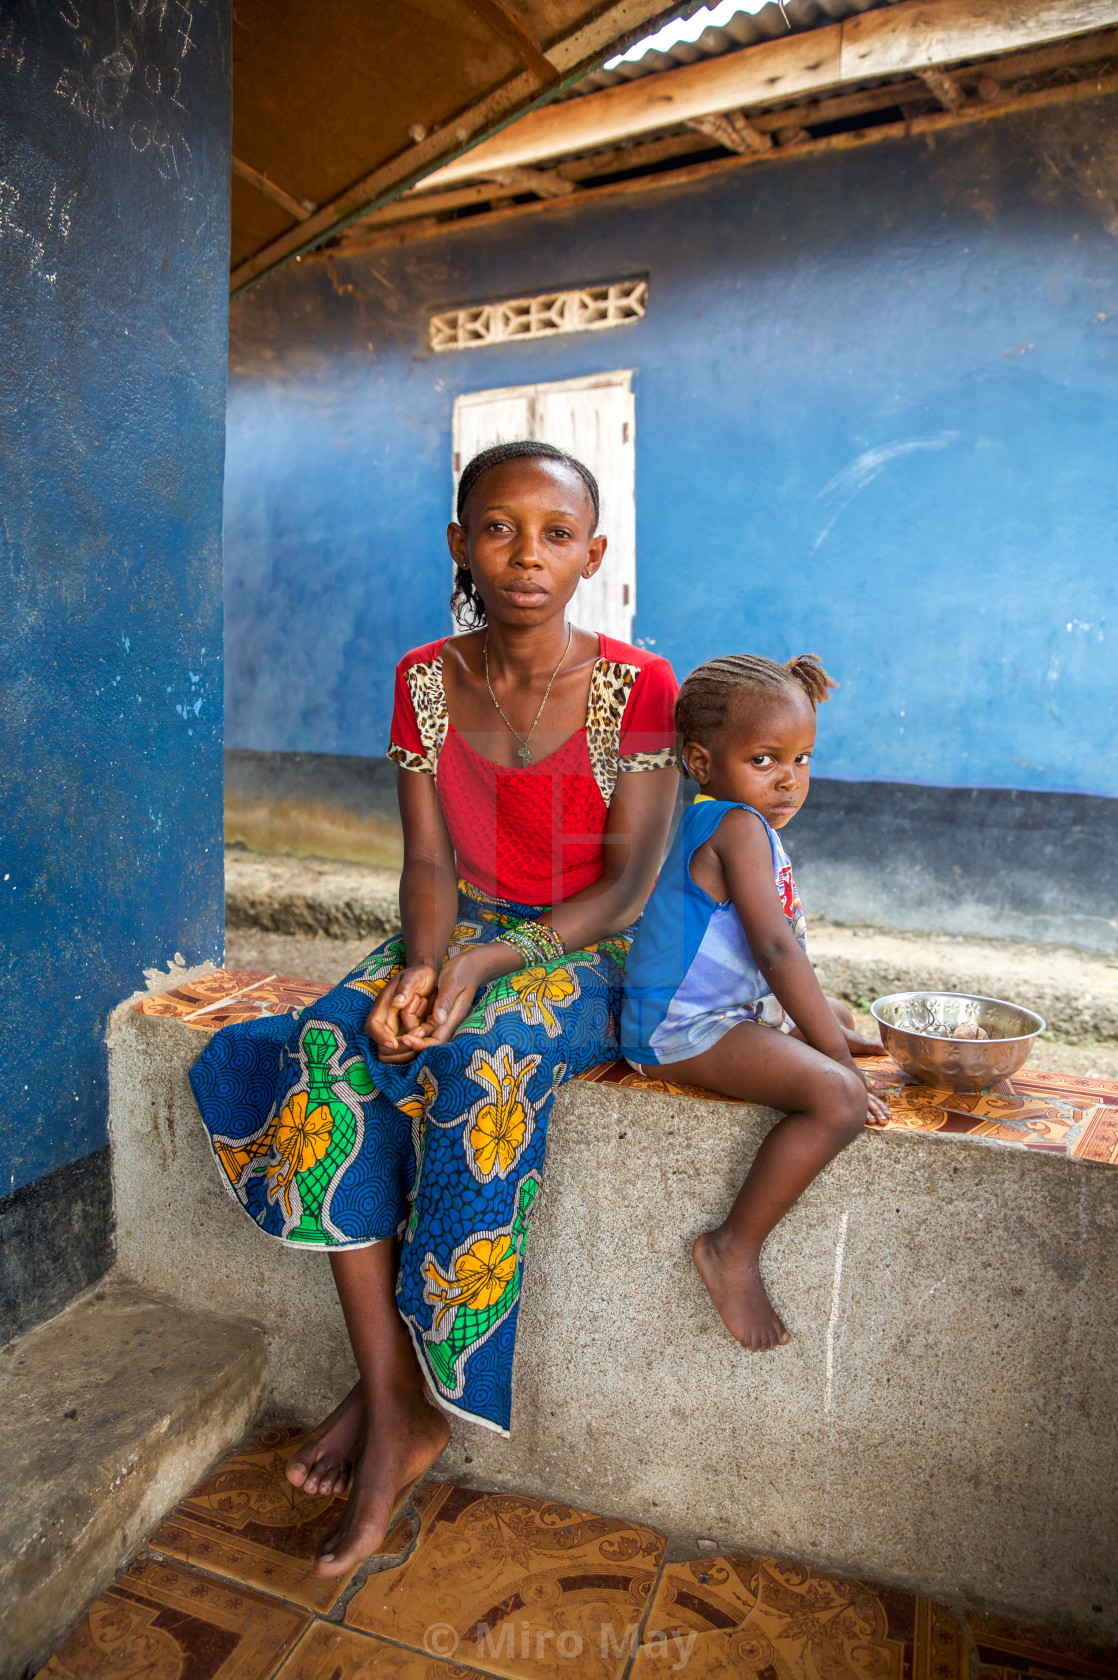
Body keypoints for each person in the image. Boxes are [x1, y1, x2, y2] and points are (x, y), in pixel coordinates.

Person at [189, 441, 678, 1575]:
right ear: (460, 545)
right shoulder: (422, 675)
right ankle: (391, 1398)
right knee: (331, 1040)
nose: (526, 555)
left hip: (581, 952)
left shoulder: (634, 686)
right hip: (458, 927)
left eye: (557, 534)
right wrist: (419, 970)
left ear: (592, 555)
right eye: (499, 529)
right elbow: (424, 863)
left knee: (480, 1061)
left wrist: (477, 973)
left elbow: (627, 890)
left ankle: (422, 1388)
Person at [620, 652, 889, 1355]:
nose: (789, 778)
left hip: (720, 1013)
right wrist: (837, 1060)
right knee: (836, 1100)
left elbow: (763, 955)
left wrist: (826, 1021)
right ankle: (731, 1249)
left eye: (801, 758)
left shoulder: (739, 824)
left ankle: (827, 1039)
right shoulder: (736, 827)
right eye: (765, 758)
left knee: (840, 1022)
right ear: (701, 761)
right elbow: (776, 953)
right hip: (680, 1028)